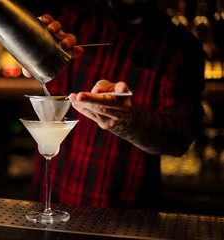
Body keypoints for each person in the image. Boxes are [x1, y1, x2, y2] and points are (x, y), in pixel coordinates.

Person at [24, 0, 205, 209]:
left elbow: (181, 137)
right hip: (50, 206)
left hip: (125, 220)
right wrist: (22, 33)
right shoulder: (66, 16)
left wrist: (129, 121)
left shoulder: (180, 46)